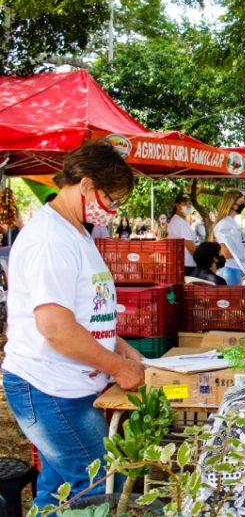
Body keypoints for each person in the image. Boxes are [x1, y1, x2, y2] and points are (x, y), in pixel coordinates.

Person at [2, 143, 145, 507]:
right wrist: (117, 367)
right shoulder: (51, 239)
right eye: (110, 199)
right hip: (48, 387)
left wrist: (118, 346)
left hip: (68, 386)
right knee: (102, 482)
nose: (112, 211)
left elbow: (85, 312)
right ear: (85, 185)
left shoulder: (76, 231)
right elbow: (56, 329)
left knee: (57, 490)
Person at [212, 189, 245, 286]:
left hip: (234, 269)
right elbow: (225, 253)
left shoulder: (232, 222)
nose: (243, 205)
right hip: (229, 270)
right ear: (231, 204)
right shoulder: (224, 224)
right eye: (240, 202)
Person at [168, 194, 197, 277]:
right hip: (186, 265)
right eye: (185, 203)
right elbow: (191, 248)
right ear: (177, 205)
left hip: (183, 264)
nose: (188, 206)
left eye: (190, 203)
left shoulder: (179, 221)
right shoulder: (180, 223)